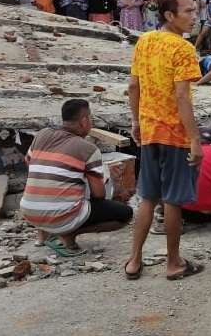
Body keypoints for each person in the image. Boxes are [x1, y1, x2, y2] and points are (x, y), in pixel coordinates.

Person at [125, 0, 204, 281]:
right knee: (172, 201)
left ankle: (134, 260)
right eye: (188, 11)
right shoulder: (183, 48)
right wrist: (195, 139)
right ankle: (173, 263)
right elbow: (182, 97)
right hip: (174, 134)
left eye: (194, 9)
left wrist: (135, 121)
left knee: (147, 197)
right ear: (170, 15)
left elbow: (133, 86)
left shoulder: (144, 41)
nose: (194, 16)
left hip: (149, 130)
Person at [19, 99, 133, 257]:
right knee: (125, 214)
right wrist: (110, 181)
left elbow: (29, 163)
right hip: (60, 216)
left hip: (29, 209)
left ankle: (43, 233)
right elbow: (99, 195)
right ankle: (69, 233)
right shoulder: (88, 149)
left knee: (55, 189)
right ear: (84, 121)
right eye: (91, 118)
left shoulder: (42, 135)